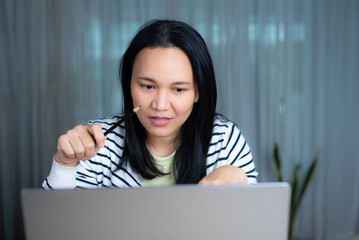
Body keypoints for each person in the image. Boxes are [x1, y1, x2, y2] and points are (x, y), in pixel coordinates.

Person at [42, 19, 258, 190]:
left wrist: (244, 190)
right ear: (129, 85)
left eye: (179, 89)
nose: (160, 105)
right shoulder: (98, 143)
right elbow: (52, 229)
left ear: (198, 92)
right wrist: (65, 163)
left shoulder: (224, 140)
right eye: (147, 86)